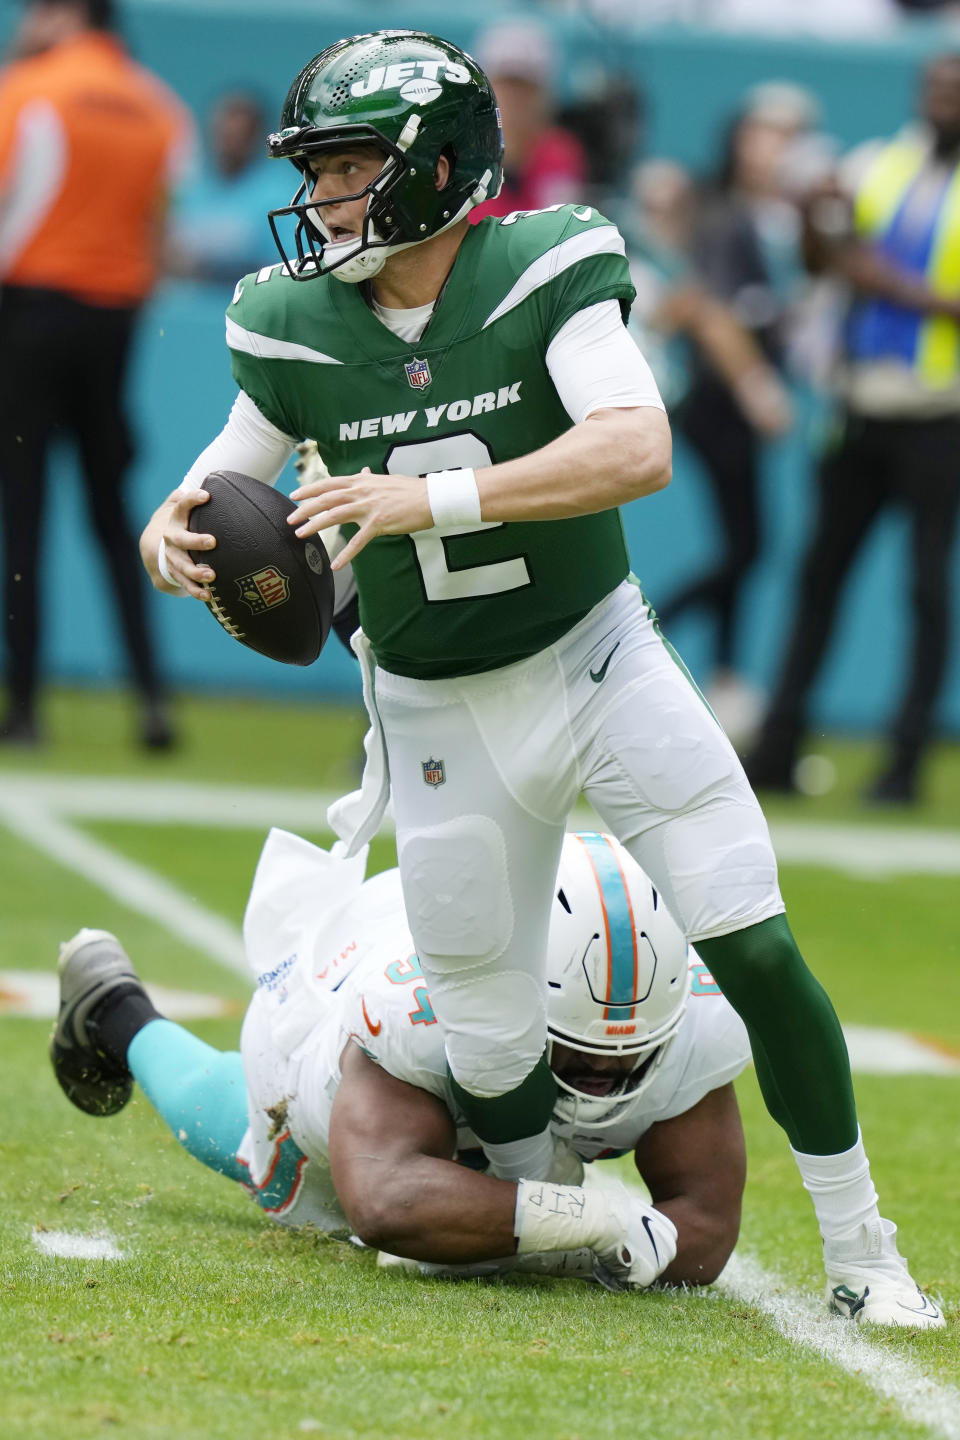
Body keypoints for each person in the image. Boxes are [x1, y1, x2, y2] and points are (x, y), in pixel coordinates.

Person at [138, 30, 941, 1326]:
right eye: (321, 169)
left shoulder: (545, 261)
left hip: (596, 654)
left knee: (758, 938)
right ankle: (542, 1221)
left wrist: (429, 497)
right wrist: (169, 538)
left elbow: (635, 444)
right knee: (494, 1039)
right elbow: (215, 474)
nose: (325, 197)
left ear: (439, 168)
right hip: (435, 704)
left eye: (350, 167)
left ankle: (866, 1251)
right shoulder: (289, 321)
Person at [48, 830, 749, 1289]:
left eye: (630, 1058)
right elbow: (385, 1204)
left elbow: (708, 1227)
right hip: (328, 995)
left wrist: (626, 1238)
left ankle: (114, 1008)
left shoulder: (697, 1017)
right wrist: (590, 1218)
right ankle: (117, 1013)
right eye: (578, 1050)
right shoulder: (413, 1014)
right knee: (262, 1139)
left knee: (490, 1199)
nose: (603, 1077)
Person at [745, 54, 960, 806]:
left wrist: (893, 286)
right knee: (818, 582)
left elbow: (872, 277)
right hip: (858, 405)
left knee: (927, 591)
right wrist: (813, 214)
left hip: (941, 415)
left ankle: (903, 767)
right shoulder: (876, 165)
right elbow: (824, 263)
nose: (946, 99)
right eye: (937, 86)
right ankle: (777, 748)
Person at [0, 0, 192, 747]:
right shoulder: (160, 109)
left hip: (28, 314)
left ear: (68, 13)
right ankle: (152, 703)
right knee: (115, 519)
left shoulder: (28, 87)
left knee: (25, 515)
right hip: (114, 326)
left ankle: (24, 710)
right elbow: (164, 233)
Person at [654, 84, 813, 739]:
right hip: (718, 402)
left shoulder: (780, 219)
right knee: (748, 547)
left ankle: (723, 677)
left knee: (743, 548)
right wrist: (756, 386)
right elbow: (707, 308)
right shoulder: (725, 215)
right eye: (765, 133)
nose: (776, 148)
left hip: (738, 400)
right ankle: (645, 631)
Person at [469, 18, 586, 221]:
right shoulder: (466, 153)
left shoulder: (559, 152)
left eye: (525, 89)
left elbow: (558, 229)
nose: (515, 99)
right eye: (505, 86)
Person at [165, 90, 282, 287]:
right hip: (184, 310)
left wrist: (208, 270)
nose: (230, 143)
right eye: (225, 133)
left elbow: (281, 269)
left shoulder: (279, 194)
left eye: (240, 135)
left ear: (256, 137)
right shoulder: (188, 187)